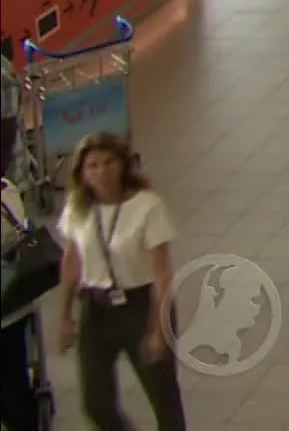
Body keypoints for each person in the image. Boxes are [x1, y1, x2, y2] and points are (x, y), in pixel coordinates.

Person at [53, 133, 187, 431]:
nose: (101, 171)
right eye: (92, 165)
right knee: (95, 402)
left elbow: (162, 272)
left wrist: (158, 328)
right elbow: (72, 261)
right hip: (96, 308)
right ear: (82, 173)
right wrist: (65, 317)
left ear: (123, 165)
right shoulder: (78, 208)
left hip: (141, 305)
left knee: (163, 398)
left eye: (109, 162)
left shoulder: (147, 206)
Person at [1, 171, 46, 431]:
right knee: (14, 380)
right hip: (13, 304)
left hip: (7, 311)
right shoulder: (7, 189)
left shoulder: (5, 191)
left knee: (11, 388)